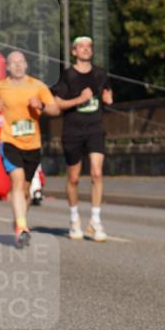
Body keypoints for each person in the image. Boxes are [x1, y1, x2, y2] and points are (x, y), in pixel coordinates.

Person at [0, 51, 60, 248]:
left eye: (21, 62)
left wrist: (40, 105)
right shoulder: (0, 86)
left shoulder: (37, 86)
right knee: (17, 180)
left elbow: (55, 109)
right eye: (13, 62)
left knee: (26, 192)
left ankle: (19, 219)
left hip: (33, 144)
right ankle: (22, 227)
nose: (17, 65)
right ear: (7, 67)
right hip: (9, 141)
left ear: (26, 65)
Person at [52, 36, 113, 242]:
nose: (86, 50)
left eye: (89, 47)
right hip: (73, 131)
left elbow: (107, 92)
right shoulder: (68, 76)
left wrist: (108, 99)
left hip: (95, 128)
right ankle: (74, 219)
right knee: (74, 178)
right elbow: (58, 104)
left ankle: (95, 221)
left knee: (97, 173)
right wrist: (80, 99)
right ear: (74, 52)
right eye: (81, 47)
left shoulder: (100, 74)